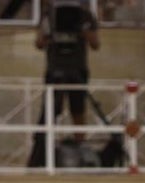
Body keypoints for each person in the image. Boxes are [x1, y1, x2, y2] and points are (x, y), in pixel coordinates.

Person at [28, 0, 100, 166]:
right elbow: (38, 43)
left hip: (77, 68)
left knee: (78, 111)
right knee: (51, 113)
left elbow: (96, 44)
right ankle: (44, 155)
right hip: (55, 69)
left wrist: (84, 31)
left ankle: (81, 152)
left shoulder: (86, 15)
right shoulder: (49, 14)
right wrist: (48, 34)